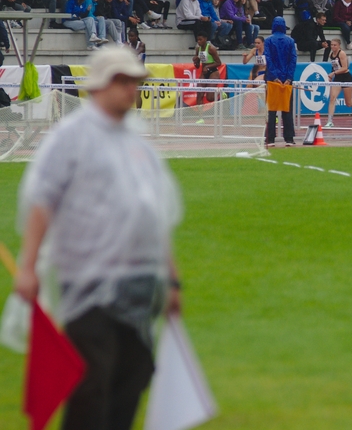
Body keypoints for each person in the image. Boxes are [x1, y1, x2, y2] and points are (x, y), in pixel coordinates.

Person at [14, 46, 182, 430]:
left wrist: (171, 279)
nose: (131, 89)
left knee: (134, 375)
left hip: (140, 284)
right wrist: (28, 267)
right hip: (88, 281)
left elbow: (154, 216)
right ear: (98, 86)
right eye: (122, 81)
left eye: (134, 81)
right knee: (91, 382)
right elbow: (42, 201)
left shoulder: (137, 143)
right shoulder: (70, 138)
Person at [264, 16, 297, 146]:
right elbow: (293, 60)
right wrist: (288, 78)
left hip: (272, 80)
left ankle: (270, 138)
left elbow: (268, 59)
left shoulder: (268, 40)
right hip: (286, 80)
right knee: (287, 109)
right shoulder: (290, 41)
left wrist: (274, 77)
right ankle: (289, 138)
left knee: (271, 110)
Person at [325, 38, 352, 128]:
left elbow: (345, 68)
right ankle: (330, 121)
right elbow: (334, 67)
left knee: (348, 103)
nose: (333, 47)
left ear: (339, 46)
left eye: (335, 45)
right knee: (332, 98)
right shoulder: (331, 54)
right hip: (337, 78)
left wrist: (333, 73)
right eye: (331, 45)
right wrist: (331, 75)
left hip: (346, 78)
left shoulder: (342, 53)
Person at [192, 32, 222, 103]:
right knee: (199, 95)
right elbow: (197, 66)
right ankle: (200, 110)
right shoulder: (198, 49)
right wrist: (196, 61)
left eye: (200, 40)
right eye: (197, 40)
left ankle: (221, 94)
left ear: (205, 39)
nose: (199, 42)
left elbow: (219, 62)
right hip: (204, 73)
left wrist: (208, 66)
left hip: (213, 72)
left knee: (210, 97)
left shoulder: (211, 48)